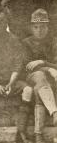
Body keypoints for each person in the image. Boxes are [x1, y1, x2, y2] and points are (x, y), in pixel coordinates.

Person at [0, 6, 33, 143]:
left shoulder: (14, 40)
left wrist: (11, 83)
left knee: (28, 90)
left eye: (4, 19)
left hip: (10, 81)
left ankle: (21, 132)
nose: (1, 22)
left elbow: (17, 65)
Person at [22, 9, 57, 143]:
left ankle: (38, 136)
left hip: (45, 84)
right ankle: (54, 112)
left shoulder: (54, 42)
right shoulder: (26, 43)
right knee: (40, 75)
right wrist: (49, 68)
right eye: (36, 27)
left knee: (39, 90)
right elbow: (27, 66)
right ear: (31, 28)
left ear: (47, 27)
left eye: (43, 27)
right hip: (31, 78)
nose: (39, 30)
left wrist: (43, 62)